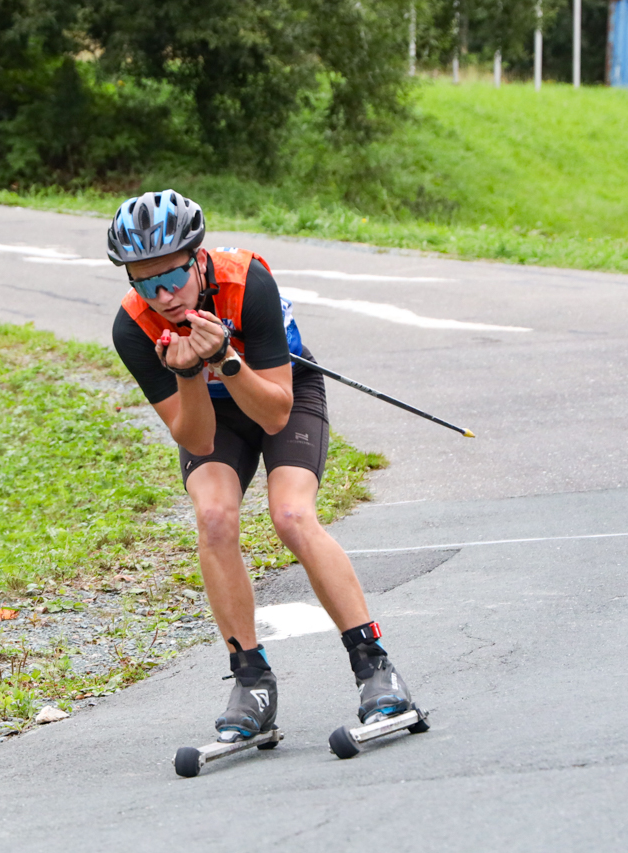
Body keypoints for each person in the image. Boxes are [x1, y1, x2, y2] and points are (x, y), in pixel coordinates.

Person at [108, 189, 415, 741]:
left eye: (172, 279)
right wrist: (186, 373)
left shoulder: (248, 282)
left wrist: (222, 358)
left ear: (198, 260)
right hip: (214, 414)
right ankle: (250, 678)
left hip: (279, 392)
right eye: (145, 283)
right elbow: (197, 437)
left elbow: (275, 413)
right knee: (214, 518)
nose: (164, 297)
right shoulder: (133, 328)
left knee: (292, 515)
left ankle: (374, 664)